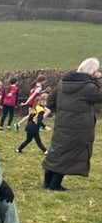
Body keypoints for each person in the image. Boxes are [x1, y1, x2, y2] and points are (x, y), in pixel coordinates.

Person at [43, 58, 102, 191]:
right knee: (69, 154)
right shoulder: (89, 87)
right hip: (79, 127)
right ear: (93, 72)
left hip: (62, 124)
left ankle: (47, 182)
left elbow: (50, 101)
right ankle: (54, 185)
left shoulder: (63, 82)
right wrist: (98, 80)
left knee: (57, 151)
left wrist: (64, 112)